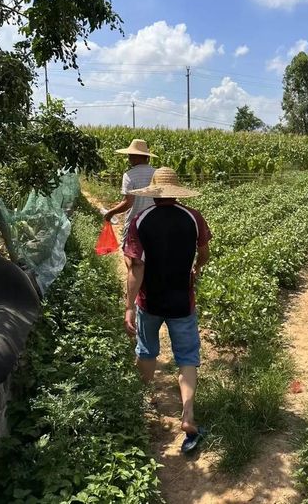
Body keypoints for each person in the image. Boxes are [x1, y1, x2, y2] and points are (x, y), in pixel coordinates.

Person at [123, 167, 211, 453]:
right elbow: (204, 251)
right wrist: (196, 267)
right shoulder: (192, 217)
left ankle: (147, 402)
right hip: (182, 302)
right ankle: (188, 415)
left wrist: (128, 306)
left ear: (153, 192)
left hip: (150, 302)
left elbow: (137, 266)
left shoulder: (141, 220)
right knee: (187, 357)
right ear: (176, 191)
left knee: (147, 350)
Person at [103, 139, 158, 251]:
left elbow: (128, 203)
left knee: (132, 261)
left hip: (135, 223)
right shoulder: (157, 173)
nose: (129, 158)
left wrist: (111, 212)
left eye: (130, 155)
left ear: (136, 156)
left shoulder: (129, 175)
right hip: (155, 223)